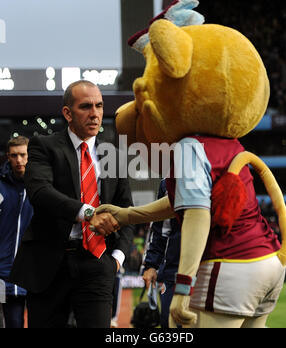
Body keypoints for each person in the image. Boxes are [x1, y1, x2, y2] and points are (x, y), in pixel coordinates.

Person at [9, 80, 134, 328]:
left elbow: (126, 212)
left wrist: (117, 258)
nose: (95, 113)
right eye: (86, 106)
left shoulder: (114, 156)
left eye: (99, 106)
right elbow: (41, 192)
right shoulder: (43, 146)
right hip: (48, 266)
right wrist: (88, 213)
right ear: (68, 113)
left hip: (98, 262)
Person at [0, 136, 33, 328]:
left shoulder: (41, 185)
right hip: (5, 273)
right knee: (13, 323)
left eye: (23, 155)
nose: (19, 160)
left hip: (35, 272)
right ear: (8, 157)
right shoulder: (1, 187)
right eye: (14, 155)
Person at [142, 179, 180, 328]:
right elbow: (160, 229)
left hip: (212, 269)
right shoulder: (168, 182)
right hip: (174, 272)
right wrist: (151, 264)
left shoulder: (219, 171)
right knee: (169, 323)